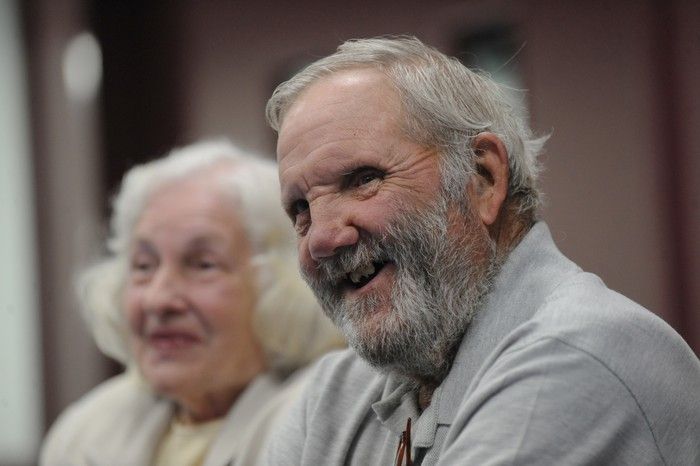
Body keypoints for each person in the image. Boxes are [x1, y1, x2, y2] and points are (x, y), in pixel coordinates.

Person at [263, 36, 700, 465]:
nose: (320, 239)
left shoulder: (574, 353)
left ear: (483, 177)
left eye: (362, 179)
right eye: (300, 208)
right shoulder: (330, 400)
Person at [40, 140, 344, 466]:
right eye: (143, 266)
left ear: (285, 285)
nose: (159, 300)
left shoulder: (326, 421)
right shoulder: (83, 433)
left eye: (202, 265)